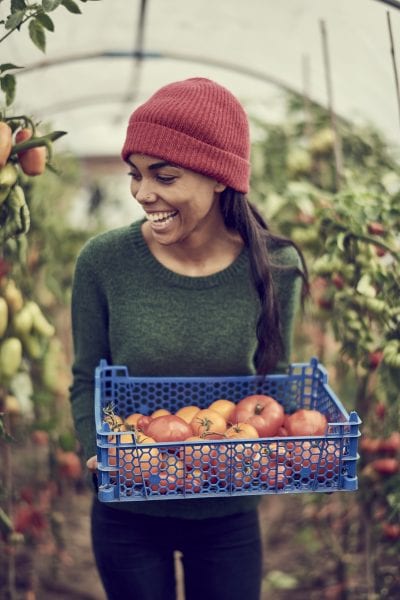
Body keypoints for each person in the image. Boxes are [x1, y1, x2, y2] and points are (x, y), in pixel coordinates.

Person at [69, 77, 308, 600]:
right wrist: (99, 455)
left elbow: (274, 380)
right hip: (129, 507)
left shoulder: (276, 268)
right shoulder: (104, 262)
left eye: (165, 176)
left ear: (220, 177)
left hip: (228, 514)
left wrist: (291, 446)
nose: (142, 193)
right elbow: (87, 374)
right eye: (136, 174)